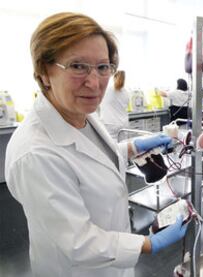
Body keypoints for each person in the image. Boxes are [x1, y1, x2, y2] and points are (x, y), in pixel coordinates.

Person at [5, 12, 187, 277]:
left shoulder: (81, 114)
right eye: (78, 66)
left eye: (103, 67)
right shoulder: (35, 154)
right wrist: (148, 243)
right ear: (44, 72)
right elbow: (79, 242)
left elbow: (97, 156)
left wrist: (135, 146)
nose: (94, 82)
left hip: (112, 266)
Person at [100, 70, 129, 141]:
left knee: (111, 149)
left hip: (110, 123)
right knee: (123, 147)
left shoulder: (106, 90)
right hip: (123, 123)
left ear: (113, 77)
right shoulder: (126, 92)